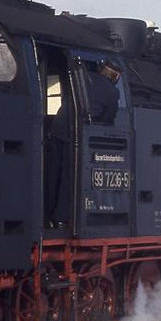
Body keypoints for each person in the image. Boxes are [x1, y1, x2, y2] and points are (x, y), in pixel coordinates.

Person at [44, 60, 122, 227]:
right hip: (76, 133)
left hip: (58, 128)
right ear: (116, 77)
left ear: (101, 70)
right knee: (69, 177)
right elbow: (107, 121)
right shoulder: (112, 92)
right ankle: (61, 217)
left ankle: (47, 213)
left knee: (53, 172)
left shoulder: (85, 77)